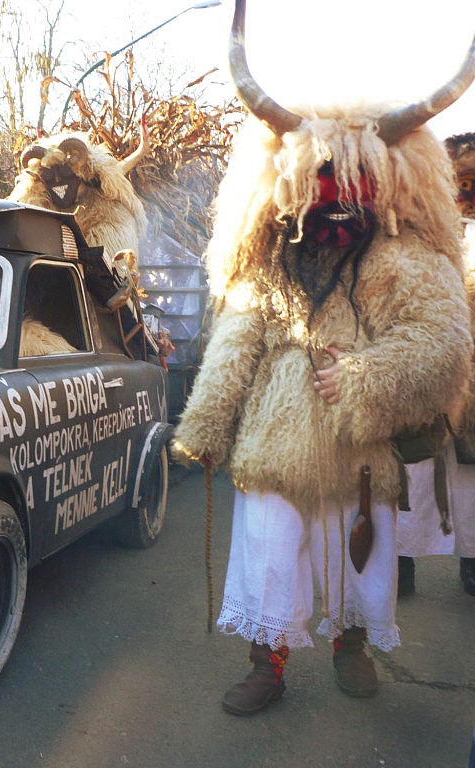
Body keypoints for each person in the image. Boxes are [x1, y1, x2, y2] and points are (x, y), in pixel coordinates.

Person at [172, 3, 473, 716]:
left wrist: (366, 378)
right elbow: (237, 340)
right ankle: (267, 663)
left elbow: (443, 342)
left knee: (355, 559)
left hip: (357, 449)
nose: (338, 199)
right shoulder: (268, 256)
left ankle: (351, 646)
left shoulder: (406, 258)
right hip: (271, 442)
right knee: (270, 553)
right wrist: (207, 424)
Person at [397, 131, 475, 597]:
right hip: (423, 368)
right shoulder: (414, 233)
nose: (464, 193)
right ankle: (399, 560)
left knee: (470, 477)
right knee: (411, 466)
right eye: (458, 182)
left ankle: (472, 563)